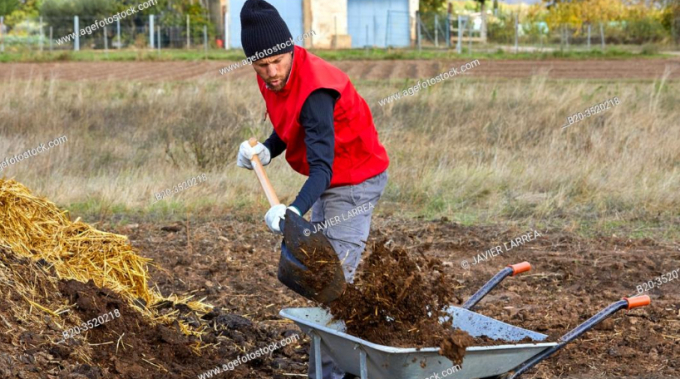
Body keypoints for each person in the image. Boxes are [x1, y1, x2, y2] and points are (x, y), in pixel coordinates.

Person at [235, 1, 389, 378]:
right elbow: (289, 120)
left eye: (277, 63)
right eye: (261, 66)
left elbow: (323, 168)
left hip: (353, 181)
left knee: (331, 285)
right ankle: (358, 355)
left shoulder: (318, 88)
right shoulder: (273, 72)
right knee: (326, 277)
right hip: (330, 180)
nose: (271, 73)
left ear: (291, 48)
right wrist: (267, 150)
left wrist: (293, 211)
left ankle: (334, 372)